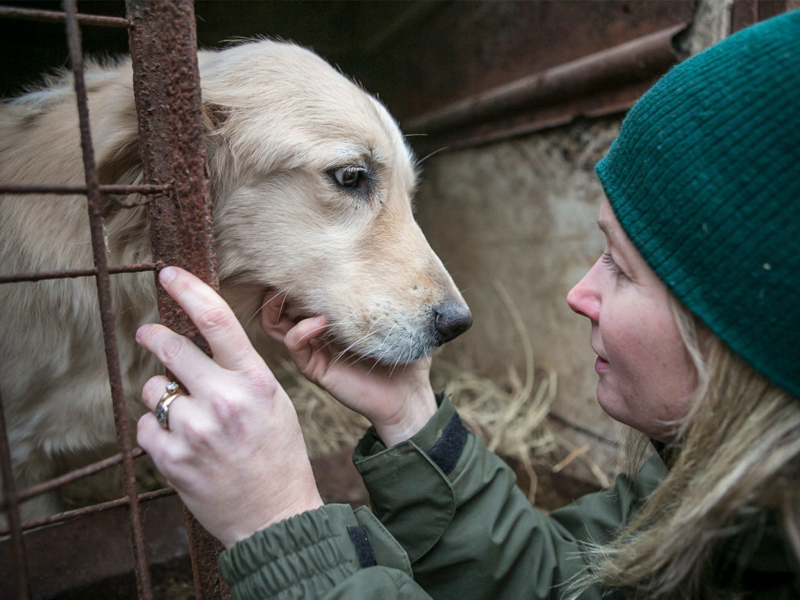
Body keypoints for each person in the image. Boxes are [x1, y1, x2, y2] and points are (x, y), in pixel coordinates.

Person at [135, 10, 800, 600]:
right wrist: (412, 418)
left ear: (742, 331)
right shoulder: (734, 510)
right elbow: (559, 583)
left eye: (621, 270)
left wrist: (279, 524)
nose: (578, 295)